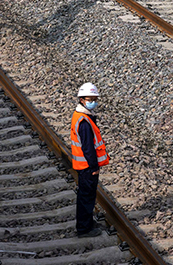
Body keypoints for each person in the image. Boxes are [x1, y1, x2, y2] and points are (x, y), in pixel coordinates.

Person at [70, 82, 109, 238]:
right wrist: (94, 167)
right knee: (86, 197)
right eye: (90, 99)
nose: (93, 101)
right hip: (87, 166)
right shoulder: (84, 121)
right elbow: (88, 148)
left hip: (83, 165)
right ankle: (84, 228)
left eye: (94, 98)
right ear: (82, 100)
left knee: (86, 196)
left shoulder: (80, 116)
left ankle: (87, 222)